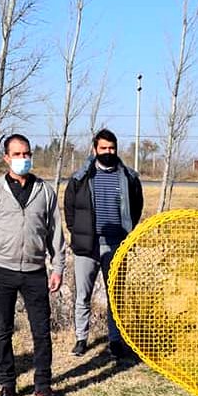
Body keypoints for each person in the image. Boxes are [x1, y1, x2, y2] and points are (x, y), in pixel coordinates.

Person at [0, 134, 67, 396]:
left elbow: (56, 234)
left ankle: (43, 386)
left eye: (26, 154)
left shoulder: (44, 192)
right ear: (6, 158)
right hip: (1, 270)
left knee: (41, 332)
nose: (23, 159)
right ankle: (7, 384)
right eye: (17, 154)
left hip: (35, 272)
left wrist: (57, 267)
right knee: (3, 331)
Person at [64, 128, 144, 360]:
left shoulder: (129, 177)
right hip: (87, 245)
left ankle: (115, 341)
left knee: (115, 295)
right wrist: (78, 233)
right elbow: (70, 209)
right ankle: (81, 338)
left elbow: (136, 207)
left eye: (112, 148)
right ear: (94, 149)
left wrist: (125, 232)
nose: (108, 152)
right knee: (83, 295)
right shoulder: (81, 177)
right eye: (103, 148)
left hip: (116, 245)